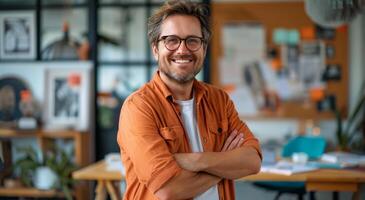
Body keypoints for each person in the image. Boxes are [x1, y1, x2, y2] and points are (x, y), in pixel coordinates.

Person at [117, 1, 262, 199]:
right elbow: (169, 190)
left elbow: (252, 161)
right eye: (172, 40)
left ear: (203, 48)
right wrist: (223, 165)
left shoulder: (219, 100)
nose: (183, 50)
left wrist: (199, 160)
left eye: (193, 40)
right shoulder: (139, 107)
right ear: (155, 49)